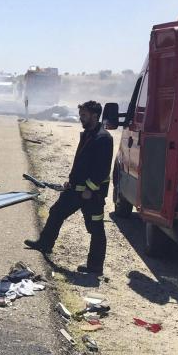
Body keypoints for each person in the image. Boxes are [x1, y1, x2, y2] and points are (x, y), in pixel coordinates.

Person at [24, 100, 113, 275]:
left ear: (95, 116)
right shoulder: (88, 133)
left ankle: (95, 267)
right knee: (56, 212)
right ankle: (45, 244)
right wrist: (70, 181)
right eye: (80, 115)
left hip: (91, 194)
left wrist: (90, 188)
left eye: (84, 115)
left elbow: (102, 169)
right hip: (75, 190)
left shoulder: (103, 138)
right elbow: (81, 163)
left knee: (95, 228)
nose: (81, 118)